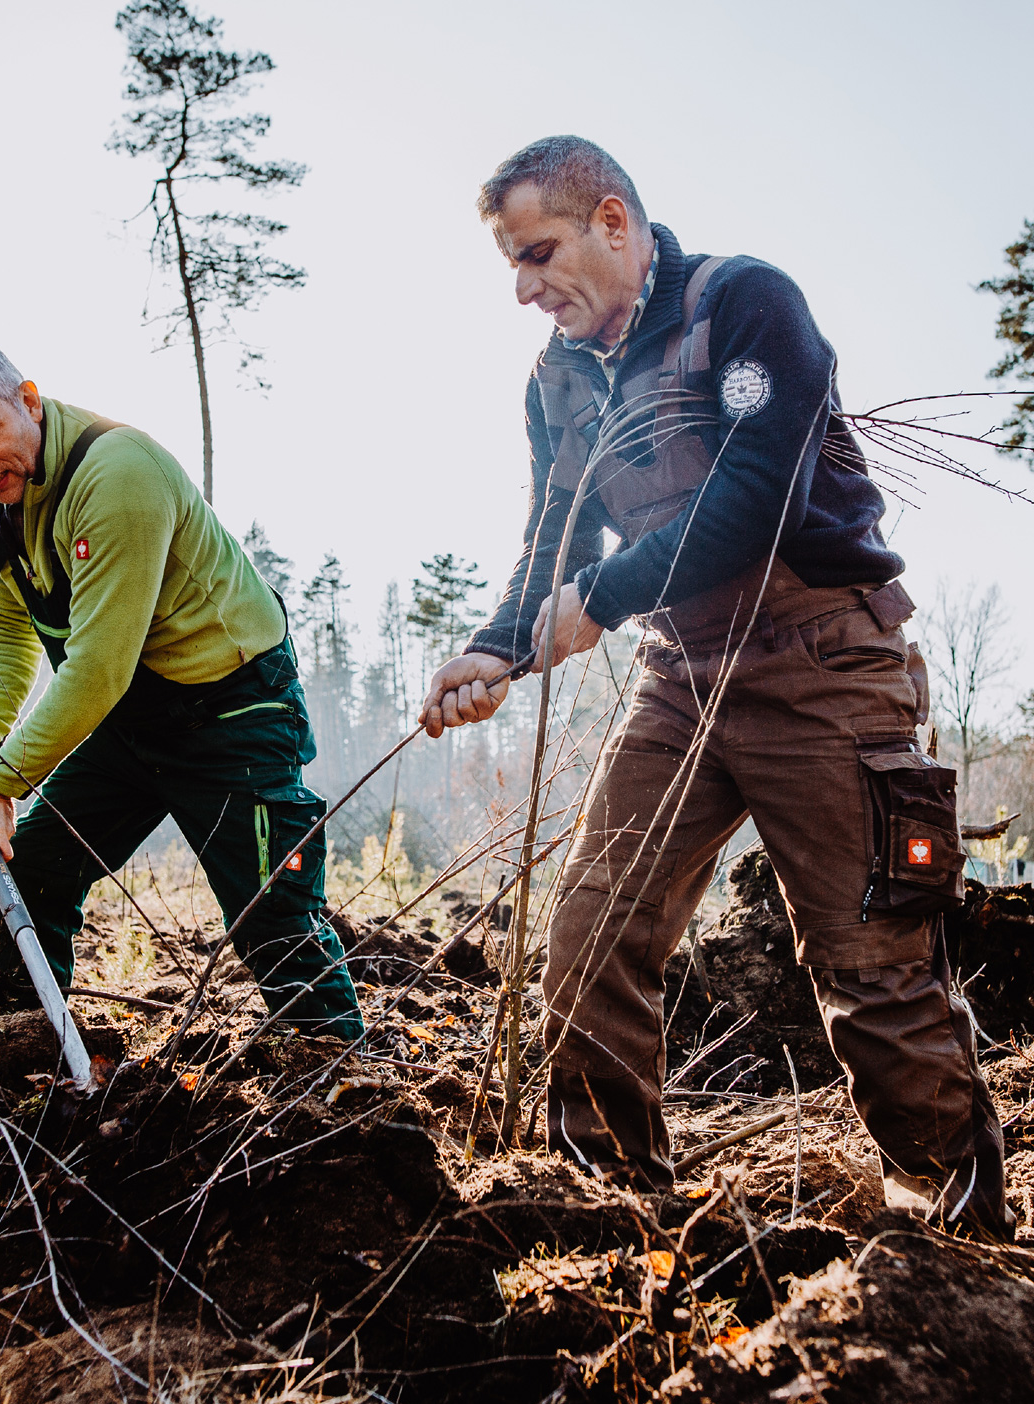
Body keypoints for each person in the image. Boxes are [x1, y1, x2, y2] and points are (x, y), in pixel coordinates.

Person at [419, 137, 1010, 1237]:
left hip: (822, 663)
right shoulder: (558, 380)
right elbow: (553, 536)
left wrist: (601, 595)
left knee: (870, 971)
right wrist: (493, 650)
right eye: (508, 263)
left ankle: (956, 1239)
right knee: (590, 938)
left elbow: (757, 492)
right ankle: (615, 1220)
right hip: (678, 679)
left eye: (538, 252)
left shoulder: (744, 304)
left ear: (612, 222)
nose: (522, 288)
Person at [0, 335, 362, 1042]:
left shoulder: (118, 473)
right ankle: (13, 1062)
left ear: (28, 400)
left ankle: (348, 1099)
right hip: (128, 719)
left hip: (232, 712)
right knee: (28, 882)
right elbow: (5, 623)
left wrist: (0, 784)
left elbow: (96, 667)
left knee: (274, 920)